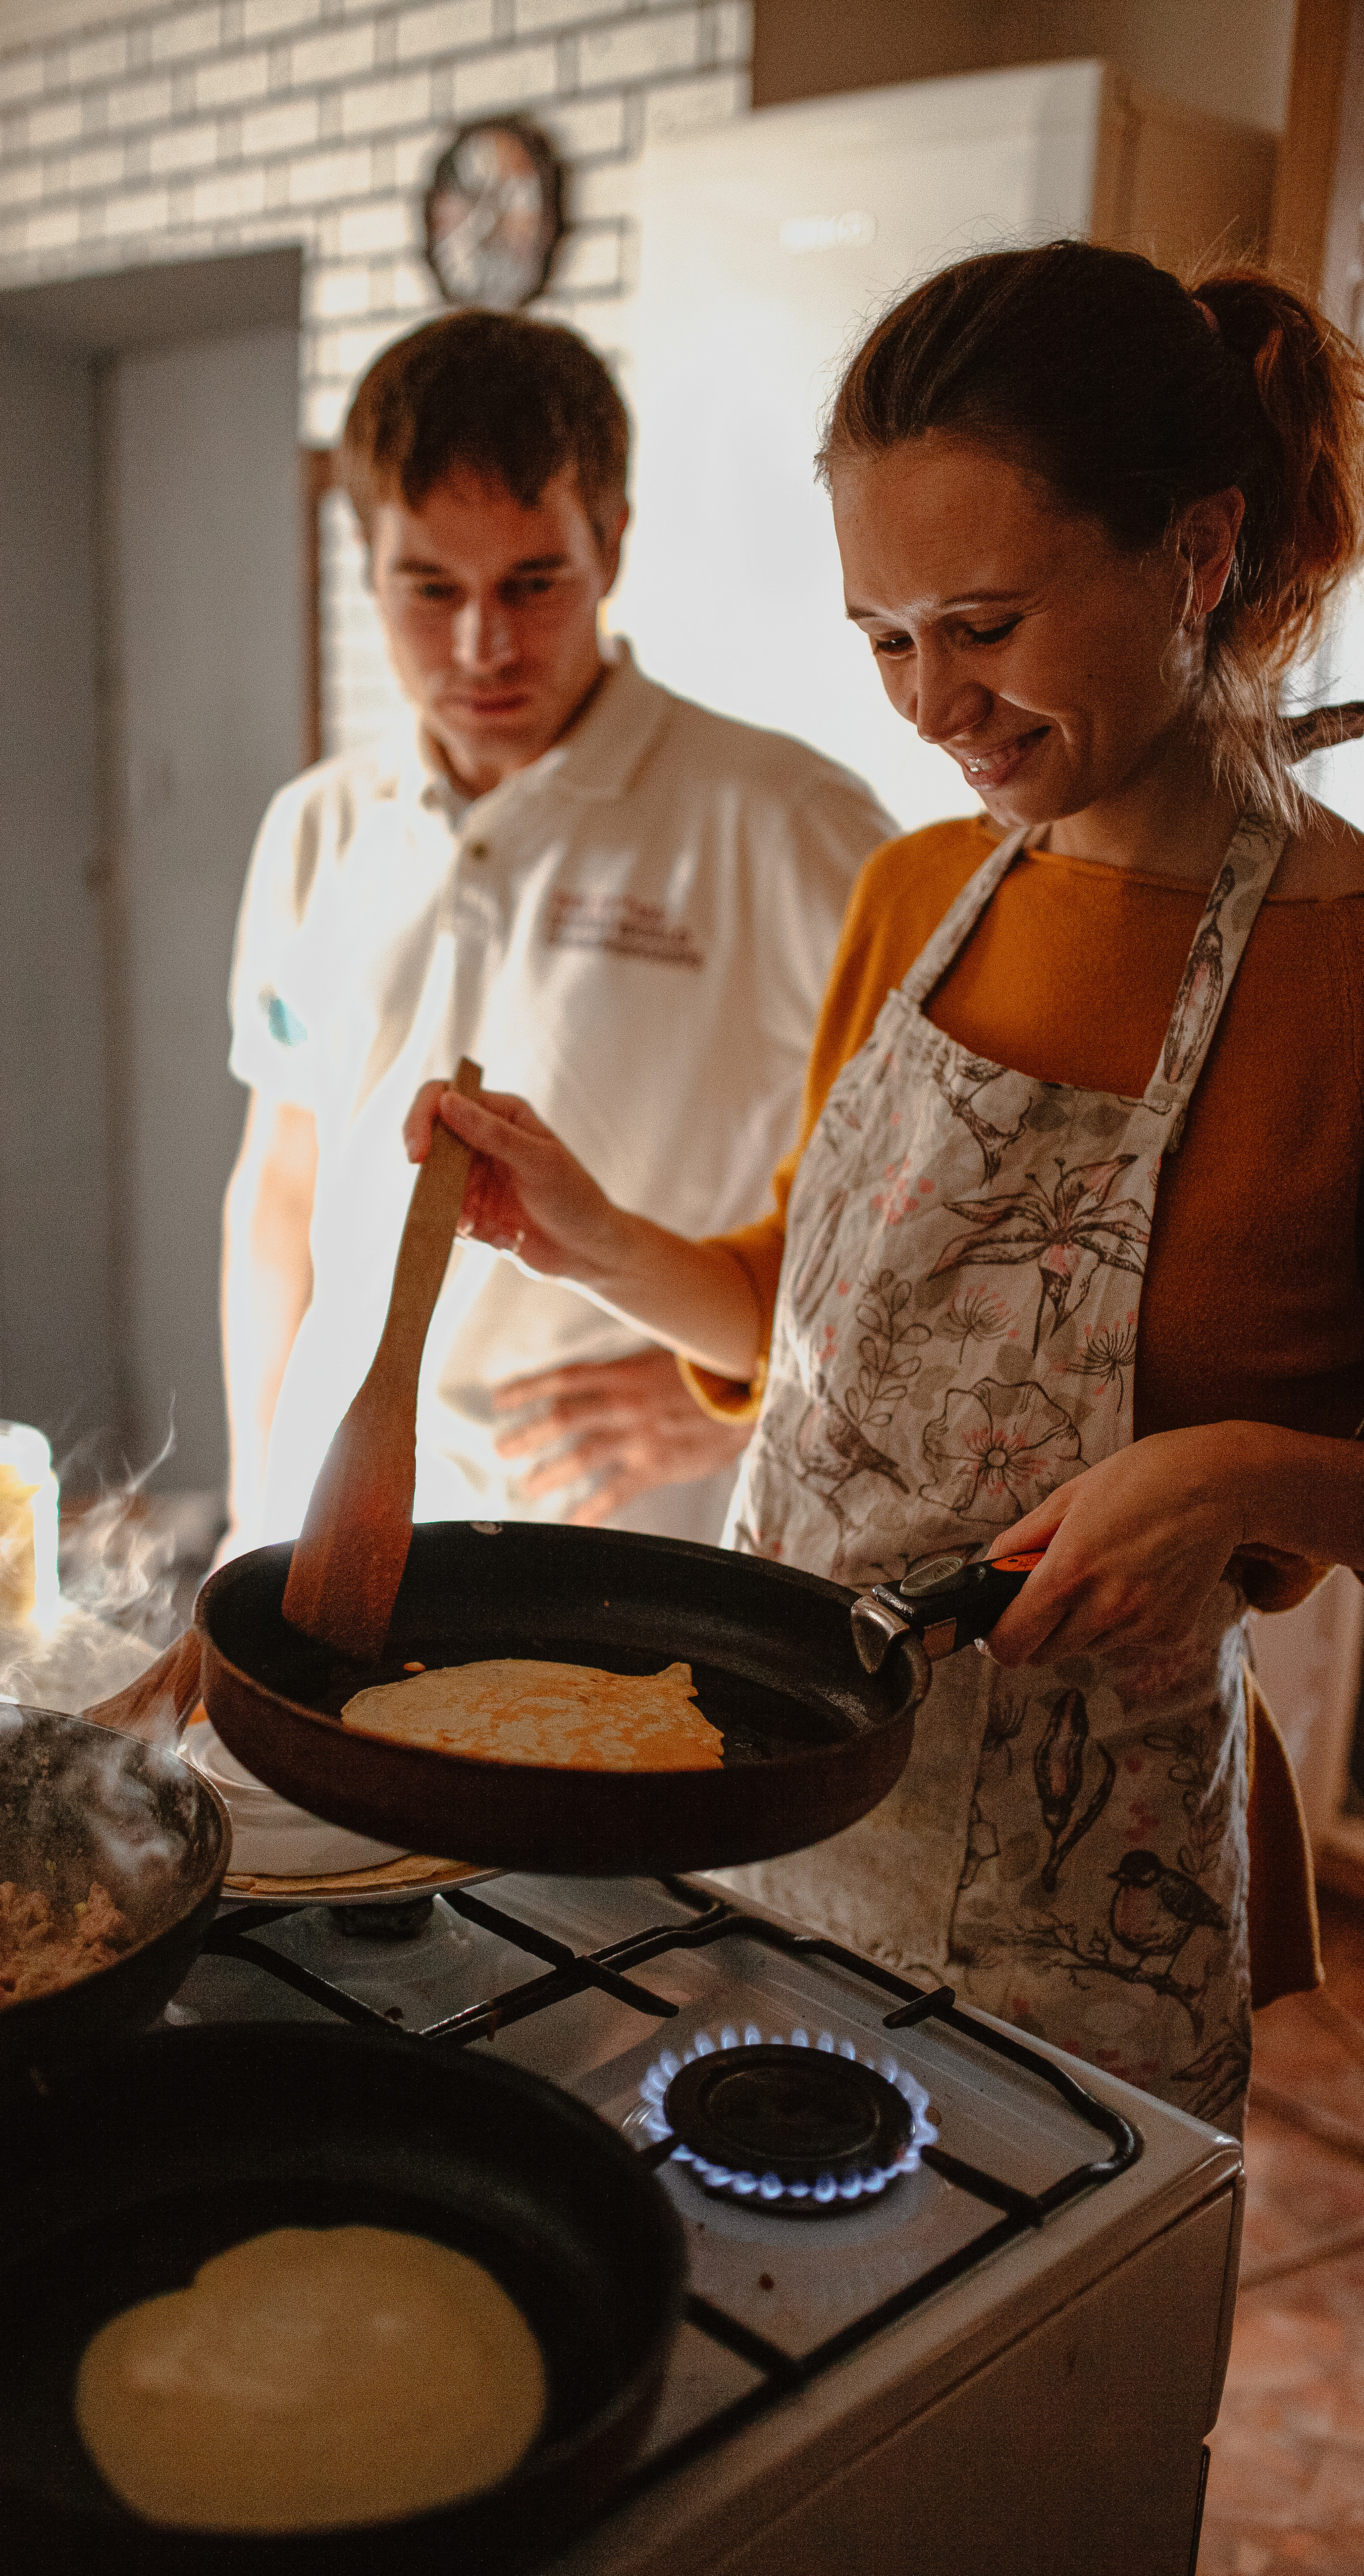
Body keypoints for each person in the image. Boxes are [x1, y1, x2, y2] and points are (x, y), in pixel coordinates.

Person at [406, 241, 1364, 2135]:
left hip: (1080, 1925)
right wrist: (589, 1235)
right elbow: (819, 1337)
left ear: (1194, 553)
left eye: (988, 623)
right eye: (885, 635)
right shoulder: (919, 894)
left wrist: (1246, 1480)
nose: (934, 701)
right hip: (768, 1824)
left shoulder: (1346, 978)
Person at [221, 309, 895, 1558]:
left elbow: (921, 1203)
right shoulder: (317, 827)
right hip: (338, 1526)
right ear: (363, 558)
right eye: (430, 589)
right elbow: (279, 1186)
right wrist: (252, 1502)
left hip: (624, 1542)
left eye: (533, 584)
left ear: (615, 544)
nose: (483, 645)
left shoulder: (784, 822)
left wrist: (739, 1403)